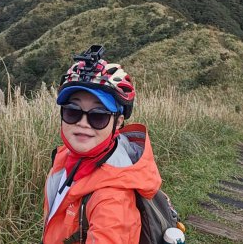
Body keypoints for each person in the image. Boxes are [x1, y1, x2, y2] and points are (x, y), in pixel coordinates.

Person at [42, 45, 162, 243]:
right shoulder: (67, 157)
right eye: (73, 111)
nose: (82, 123)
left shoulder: (112, 201)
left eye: (98, 116)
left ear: (118, 122)